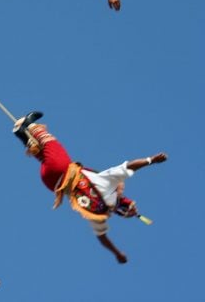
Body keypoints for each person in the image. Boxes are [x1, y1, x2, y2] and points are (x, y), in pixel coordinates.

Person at [12, 111, 167, 263]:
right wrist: (117, 253)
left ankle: (30, 124)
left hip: (62, 170)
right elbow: (102, 238)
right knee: (44, 153)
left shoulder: (108, 182)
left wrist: (151, 160)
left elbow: (130, 166)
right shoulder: (99, 213)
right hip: (51, 183)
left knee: (50, 143)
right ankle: (22, 134)